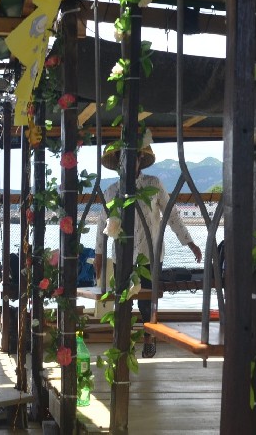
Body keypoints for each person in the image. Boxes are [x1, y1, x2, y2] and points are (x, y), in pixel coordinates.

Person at [94, 144, 202, 358]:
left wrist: (190, 243)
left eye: (132, 157)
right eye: (123, 158)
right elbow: (101, 225)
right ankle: (123, 340)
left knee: (147, 300)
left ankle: (148, 338)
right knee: (123, 299)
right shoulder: (111, 191)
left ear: (140, 159)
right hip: (122, 254)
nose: (128, 162)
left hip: (150, 252)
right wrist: (98, 255)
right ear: (118, 162)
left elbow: (172, 215)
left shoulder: (153, 184)